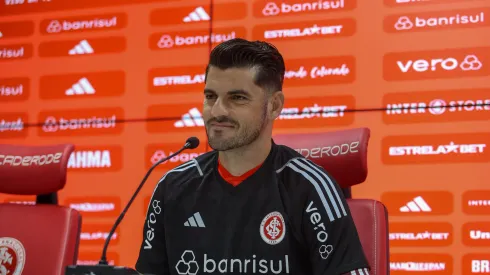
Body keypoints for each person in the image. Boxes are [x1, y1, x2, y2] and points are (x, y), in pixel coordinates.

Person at [135, 38, 371, 275]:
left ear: (274, 106)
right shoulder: (172, 188)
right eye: (210, 96)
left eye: (237, 98)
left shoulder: (311, 188)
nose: (217, 111)